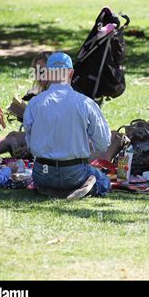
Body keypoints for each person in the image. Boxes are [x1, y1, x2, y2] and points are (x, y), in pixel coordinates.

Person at [23, 52, 112, 199]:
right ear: (71, 73)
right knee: (104, 180)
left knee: (49, 177)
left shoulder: (34, 103)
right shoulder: (85, 103)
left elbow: (30, 142)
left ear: (49, 74)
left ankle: (51, 189)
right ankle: (86, 189)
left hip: (42, 173)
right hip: (74, 173)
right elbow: (103, 143)